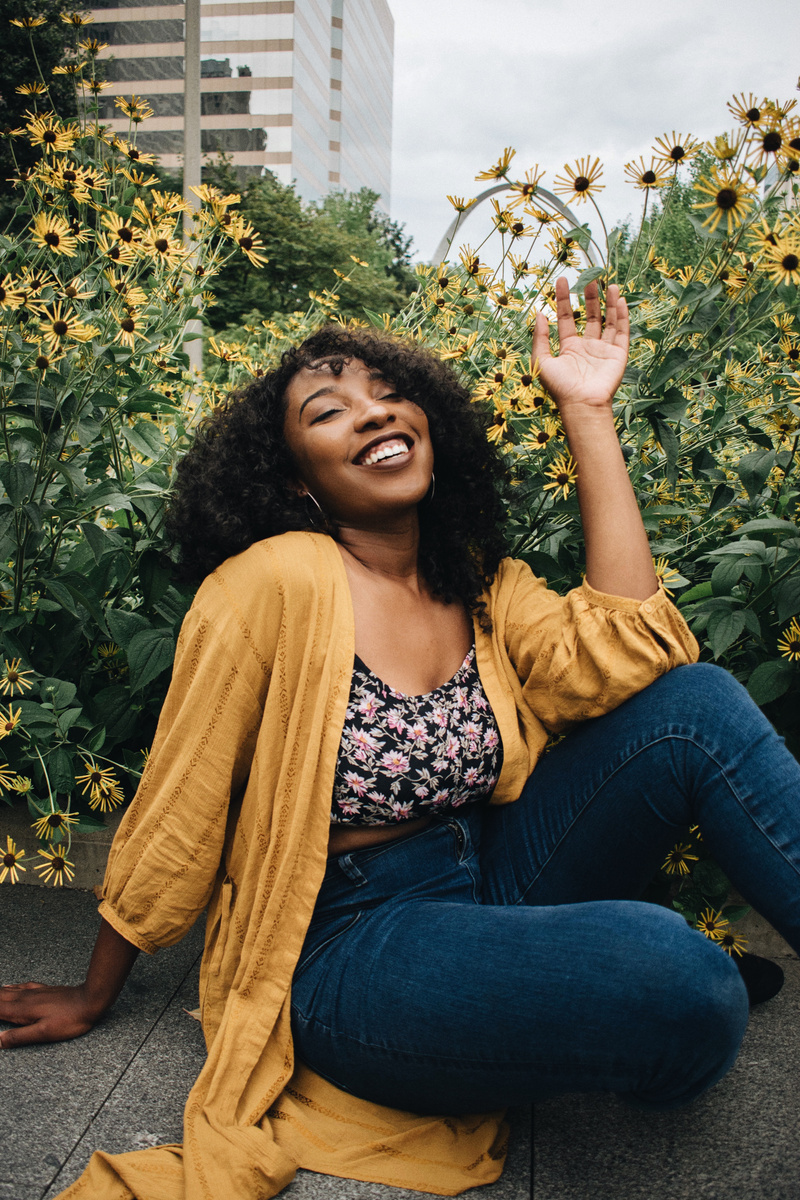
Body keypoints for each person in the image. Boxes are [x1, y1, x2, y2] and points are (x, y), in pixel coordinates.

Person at [1, 279, 798, 1200]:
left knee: (695, 703)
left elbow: (623, 652)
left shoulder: (481, 584)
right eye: (328, 410)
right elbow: (180, 802)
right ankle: (634, 989)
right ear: (296, 477)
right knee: (690, 989)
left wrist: (587, 410)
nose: (372, 413)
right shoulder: (274, 584)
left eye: (387, 391)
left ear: (427, 421)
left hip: (491, 877)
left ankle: (585, 984)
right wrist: (93, 994)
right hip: (353, 945)